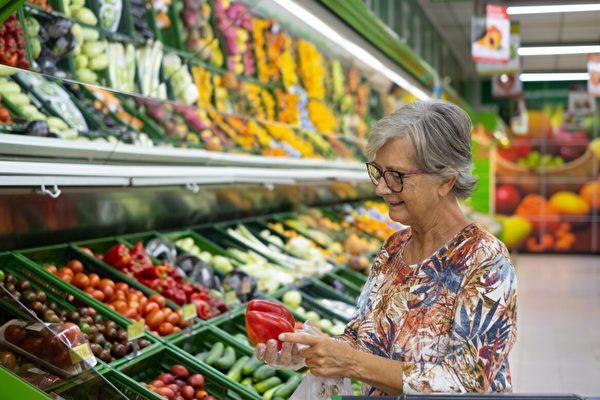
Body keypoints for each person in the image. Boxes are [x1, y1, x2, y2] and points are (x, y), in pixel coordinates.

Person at [255, 100, 518, 395]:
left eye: (397, 176)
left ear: (445, 180)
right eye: (379, 173)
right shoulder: (393, 249)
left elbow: (468, 380)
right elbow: (361, 340)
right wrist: (311, 349)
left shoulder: (485, 260)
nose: (381, 188)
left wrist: (351, 363)